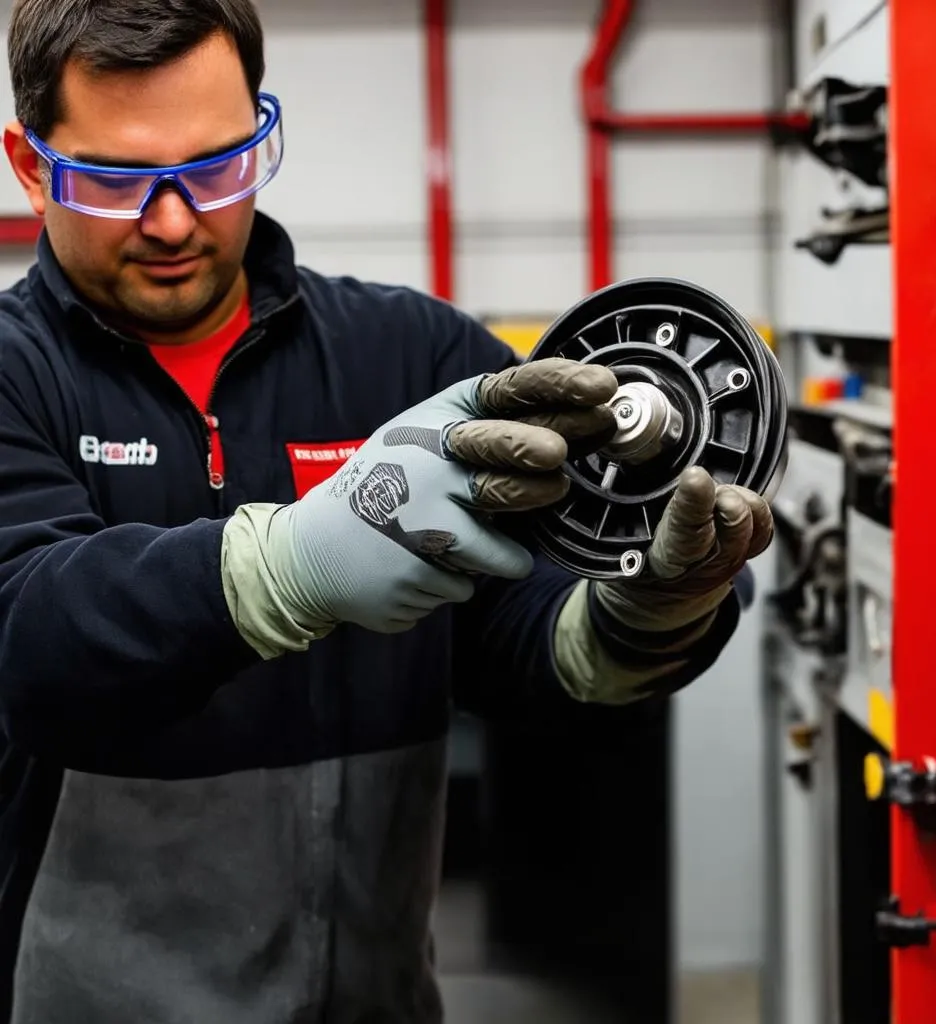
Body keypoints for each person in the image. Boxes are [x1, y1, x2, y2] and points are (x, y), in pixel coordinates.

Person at [0, 1, 774, 1021]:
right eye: (116, 180)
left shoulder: (411, 357)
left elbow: (523, 623)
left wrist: (640, 617)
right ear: (30, 164)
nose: (176, 219)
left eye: (218, 165)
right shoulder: (17, 375)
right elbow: (32, 635)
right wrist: (284, 567)